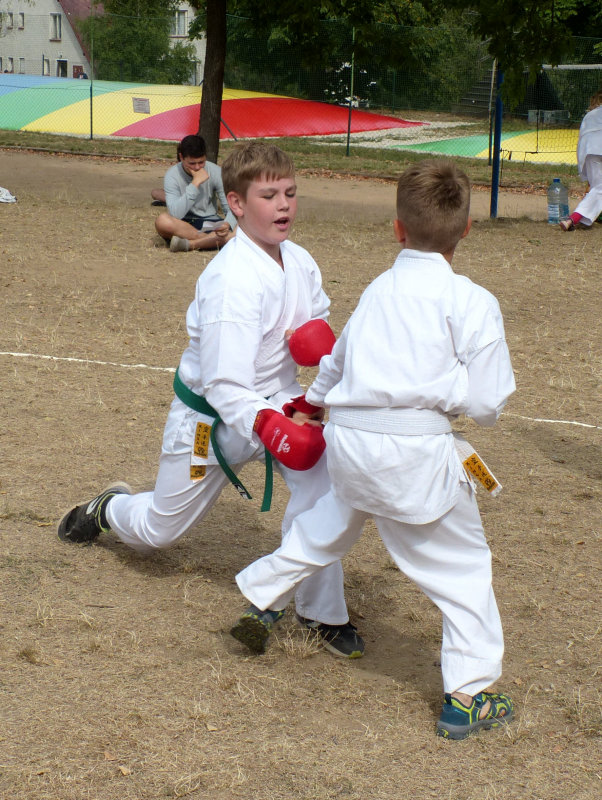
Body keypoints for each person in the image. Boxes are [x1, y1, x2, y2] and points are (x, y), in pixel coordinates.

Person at [231, 158, 516, 740]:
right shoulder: (472, 301)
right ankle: (468, 696)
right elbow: (488, 403)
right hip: (415, 450)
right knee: (463, 569)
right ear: (466, 229)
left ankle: (262, 594)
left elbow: (337, 360)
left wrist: (312, 403)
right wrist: (443, 392)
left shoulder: (378, 290)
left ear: (397, 228)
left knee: (329, 522)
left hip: (351, 445)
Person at [58, 142, 364, 660]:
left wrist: (313, 344)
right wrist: (268, 426)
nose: (284, 205)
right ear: (237, 204)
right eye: (269, 196)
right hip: (211, 417)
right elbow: (224, 385)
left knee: (322, 487)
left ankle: (322, 612)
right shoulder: (230, 280)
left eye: (290, 193)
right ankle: (109, 508)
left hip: (279, 399)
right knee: (160, 529)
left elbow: (316, 317)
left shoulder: (300, 261)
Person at [154, 134, 237, 252]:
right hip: (183, 223)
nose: (197, 167)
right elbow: (175, 214)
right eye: (192, 163)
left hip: (209, 222)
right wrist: (195, 183)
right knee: (162, 221)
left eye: (201, 162)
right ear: (181, 157)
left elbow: (230, 207)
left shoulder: (216, 171)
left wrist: (227, 224)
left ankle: (190, 244)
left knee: (241, 223)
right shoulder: (172, 175)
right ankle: (213, 241)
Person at [560, 88, 602, 231]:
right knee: (600, 188)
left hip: (589, 152)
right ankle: (573, 219)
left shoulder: (589, 116)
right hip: (596, 148)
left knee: (597, 187)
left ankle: (581, 220)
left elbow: (582, 140)